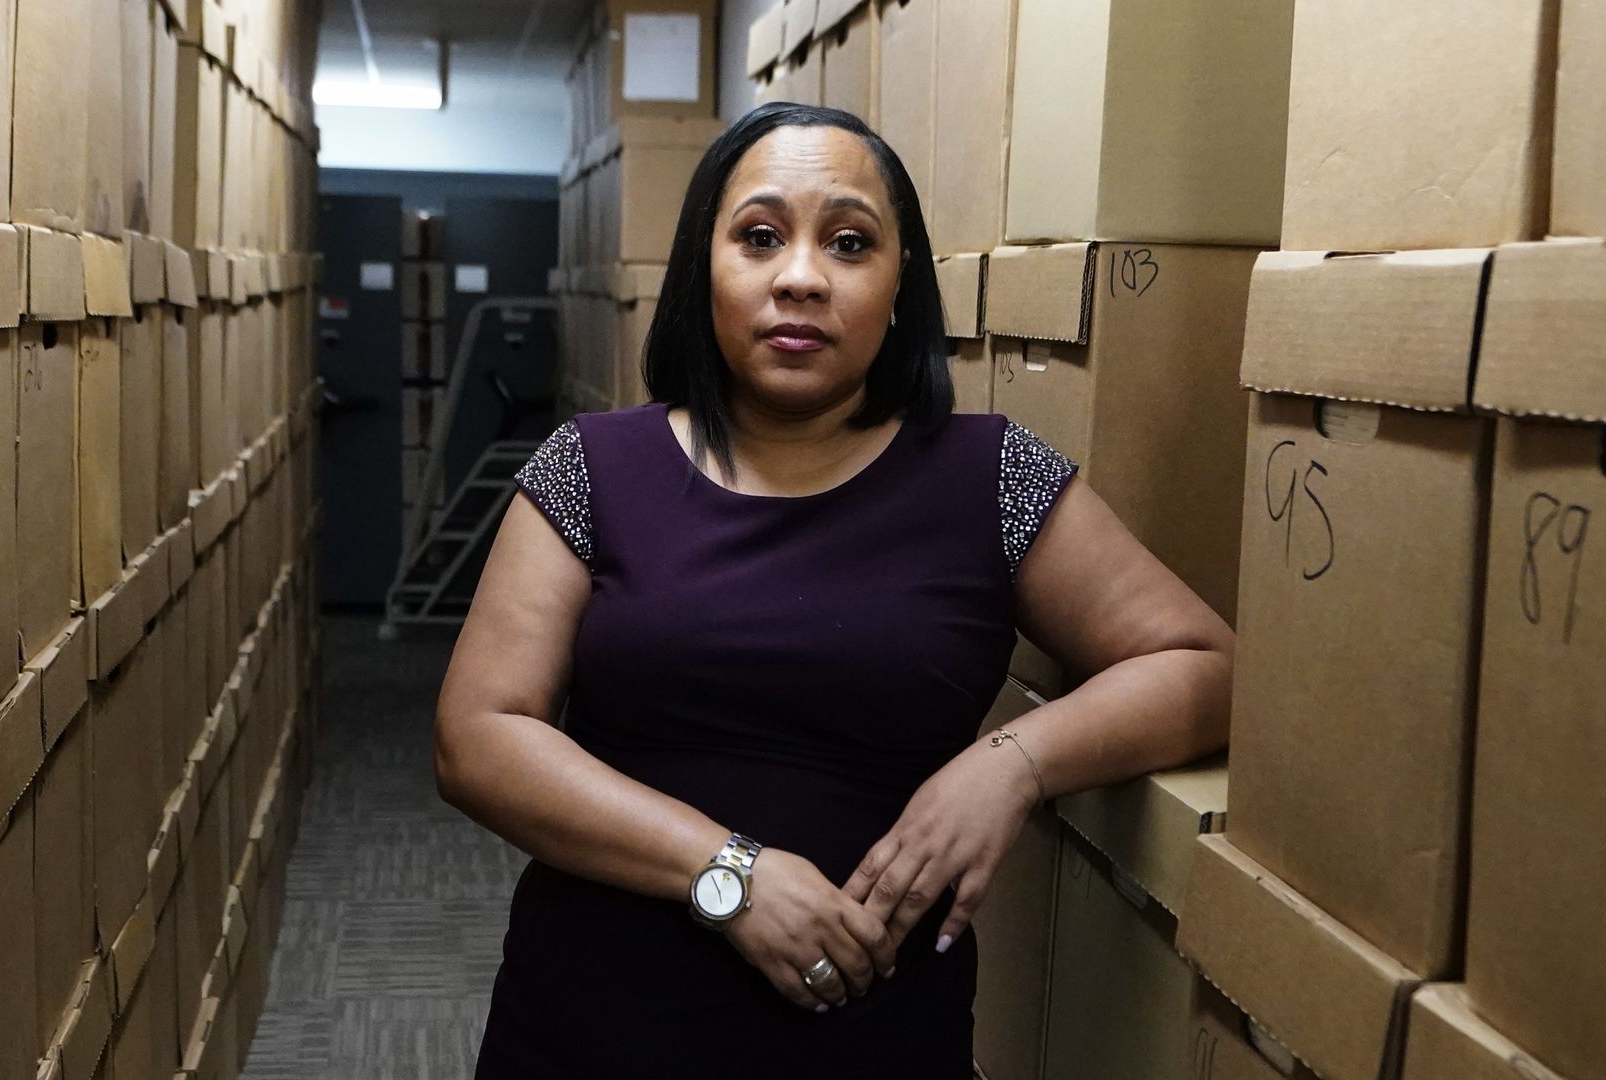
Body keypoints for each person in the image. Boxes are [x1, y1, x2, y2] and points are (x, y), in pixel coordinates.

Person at [435, 103, 1233, 1077]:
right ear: (705, 271)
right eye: (760, 237)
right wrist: (726, 871)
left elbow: (1206, 665)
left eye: (850, 243)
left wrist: (1013, 763)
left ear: (901, 285)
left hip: (872, 1038)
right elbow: (478, 738)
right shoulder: (593, 467)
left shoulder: (992, 478)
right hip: (593, 1027)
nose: (802, 275)